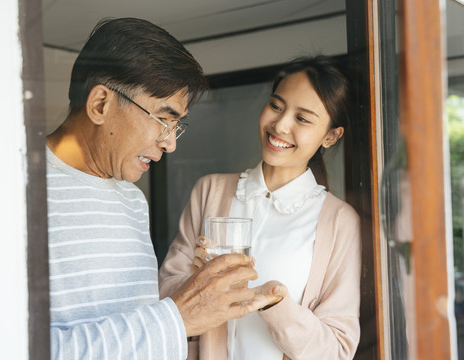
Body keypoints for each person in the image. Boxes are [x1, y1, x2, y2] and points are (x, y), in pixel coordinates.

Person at [46, 17, 283, 360]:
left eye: (176, 126)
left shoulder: (131, 200)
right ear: (100, 104)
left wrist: (192, 302)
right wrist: (177, 318)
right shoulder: (12, 192)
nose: (170, 143)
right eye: (162, 119)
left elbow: (143, 340)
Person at [159, 55, 362, 359]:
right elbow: (162, 299)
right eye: (276, 106)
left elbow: (337, 350)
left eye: (302, 118)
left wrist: (277, 305)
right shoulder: (210, 190)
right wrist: (200, 281)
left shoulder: (338, 221)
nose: (280, 125)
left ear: (331, 136)